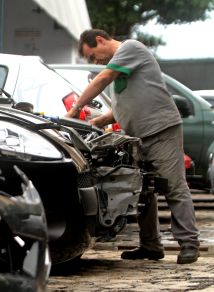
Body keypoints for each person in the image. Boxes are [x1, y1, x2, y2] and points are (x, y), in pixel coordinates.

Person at [66, 29, 200, 264]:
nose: (95, 61)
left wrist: (76, 108)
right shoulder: (121, 65)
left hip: (160, 130)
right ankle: (150, 245)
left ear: (100, 40)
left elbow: (102, 79)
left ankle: (189, 244)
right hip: (138, 137)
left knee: (173, 187)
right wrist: (97, 121)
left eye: (93, 55)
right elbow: (127, 105)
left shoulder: (131, 48)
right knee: (142, 189)